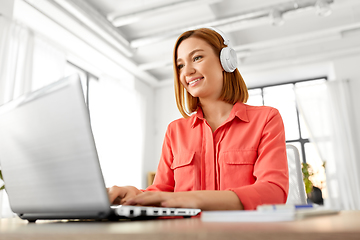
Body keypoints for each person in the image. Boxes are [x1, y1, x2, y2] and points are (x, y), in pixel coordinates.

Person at [108, 28, 289, 211]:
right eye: (180, 66)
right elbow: (161, 193)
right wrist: (134, 195)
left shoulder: (266, 119)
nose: (188, 71)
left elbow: (273, 191)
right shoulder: (175, 131)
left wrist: (196, 199)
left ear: (225, 61)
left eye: (197, 58)